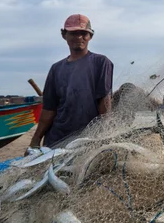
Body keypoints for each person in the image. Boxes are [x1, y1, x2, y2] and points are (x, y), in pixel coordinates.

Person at [29, 14, 114, 150]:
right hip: (55, 140)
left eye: (83, 33)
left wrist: (103, 135)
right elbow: (49, 109)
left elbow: (104, 103)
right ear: (64, 35)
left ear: (90, 36)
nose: (79, 37)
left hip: (86, 140)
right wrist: (36, 139)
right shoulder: (56, 68)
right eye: (73, 33)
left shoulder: (101, 62)